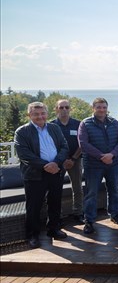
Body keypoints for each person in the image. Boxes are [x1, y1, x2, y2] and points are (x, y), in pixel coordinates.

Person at [15, 102, 69, 249]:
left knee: (55, 202)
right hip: (35, 175)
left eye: (42, 113)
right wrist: (46, 165)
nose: (40, 116)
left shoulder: (54, 128)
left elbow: (64, 147)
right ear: (29, 115)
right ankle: (32, 235)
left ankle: (54, 229)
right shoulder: (22, 132)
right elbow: (24, 154)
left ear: (47, 113)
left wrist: (56, 163)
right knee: (34, 206)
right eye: (36, 114)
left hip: (55, 172)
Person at [78, 98, 118, 234]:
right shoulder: (85, 124)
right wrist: (101, 156)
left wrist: (112, 155)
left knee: (114, 190)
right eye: (99, 107)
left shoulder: (114, 123)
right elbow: (83, 144)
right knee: (91, 193)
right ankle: (89, 221)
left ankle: (115, 214)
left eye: (104, 107)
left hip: (113, 163)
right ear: (93, 108)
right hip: (93, 165)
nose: (102, 110)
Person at [51, 99, 84, 223]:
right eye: (61, 107)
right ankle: (57, 216)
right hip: (58, 162)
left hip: (75, 160)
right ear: (56, 109)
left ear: (70, 109)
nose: (64, 110)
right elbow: (50, 146)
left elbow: (83, 143)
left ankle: (78, 213)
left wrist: (73, 158)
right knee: (55, 189)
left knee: (77, 188)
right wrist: (62, 160)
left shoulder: (78, 124)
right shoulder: (52, 126)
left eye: (66, 107)